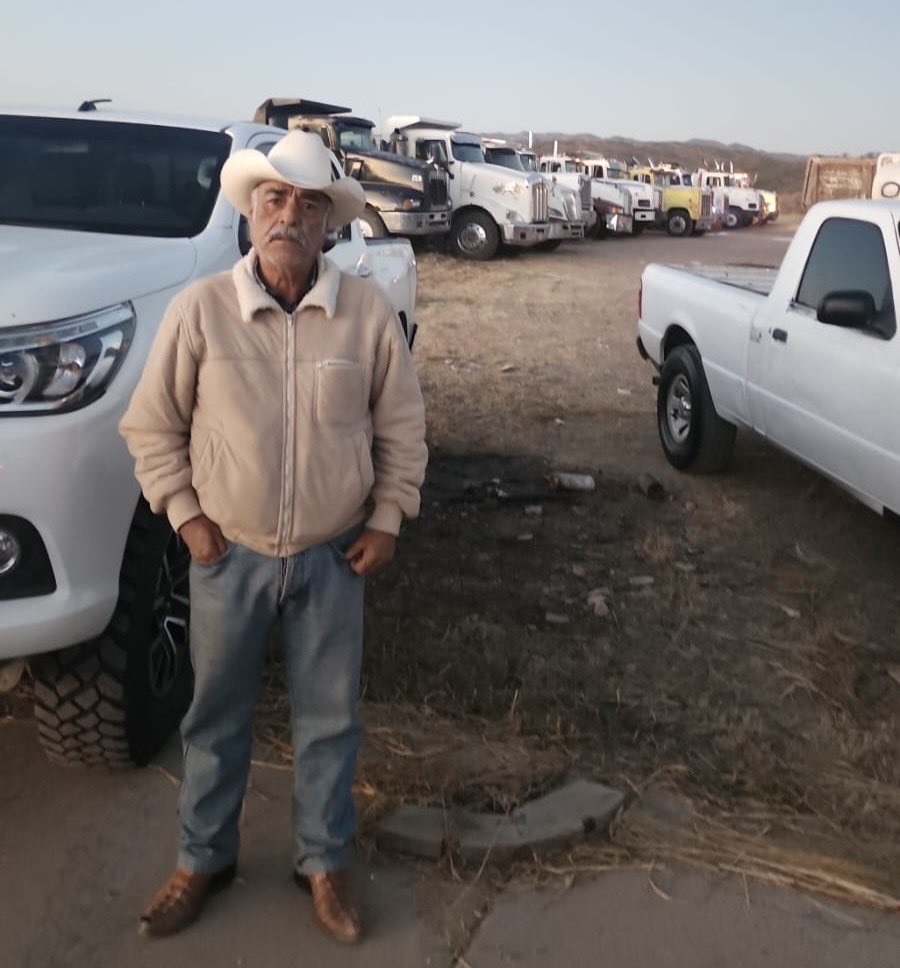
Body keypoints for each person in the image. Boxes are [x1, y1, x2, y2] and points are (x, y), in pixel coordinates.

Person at [119, 130, 427, 944]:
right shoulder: (202, 310)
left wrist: (388, 518)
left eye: (309, 204)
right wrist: (186, 517)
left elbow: (403, 427)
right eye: (275, 199)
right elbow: (151, 428)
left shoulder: (363, 312)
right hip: (229, 556)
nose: (290, 216)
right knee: (214, 717)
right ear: (252, 212)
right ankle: (202, 859)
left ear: (330, 223)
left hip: (333, 559)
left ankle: (323, 865)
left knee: (330, 722)